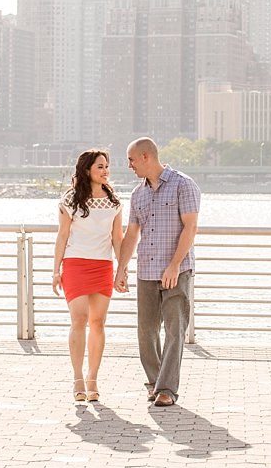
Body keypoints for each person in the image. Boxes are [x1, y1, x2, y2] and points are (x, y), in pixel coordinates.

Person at [114, 137, 200, 407]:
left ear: (146, 157)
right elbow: (131, 234)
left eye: (131, 160)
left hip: (176, 270)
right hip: (147, 272)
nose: (129, 166)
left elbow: (190, 227)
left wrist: (174, 264)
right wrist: (121, 269)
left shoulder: (183, 185)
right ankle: (154, 382)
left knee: (175, 331)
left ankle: (167, 390)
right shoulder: (138, 194)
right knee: (146, 331)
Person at [52, 149, 123, 402]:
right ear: (86, 171)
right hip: (75, 265)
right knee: (79, 319)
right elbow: (62, 236)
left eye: (107, 166)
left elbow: (117, 238)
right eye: (100, 167)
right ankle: (77, 378)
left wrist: (122, 269)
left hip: (103, 265)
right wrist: (55, 270)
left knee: (98, 323)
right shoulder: (70, 200)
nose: (105, 171)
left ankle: (93, 377)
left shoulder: (114, 201)